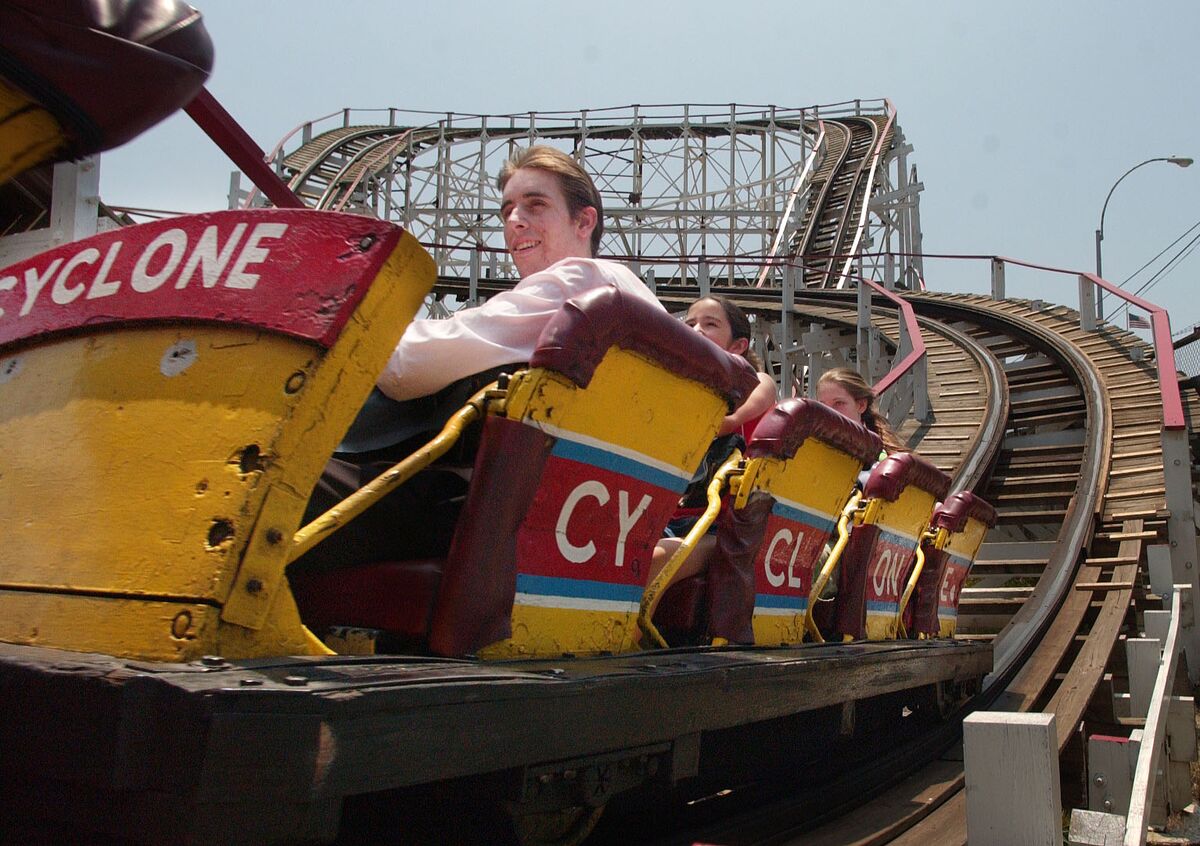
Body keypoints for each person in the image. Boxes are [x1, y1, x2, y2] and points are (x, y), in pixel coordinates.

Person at [293, 145, 663, 571]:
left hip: (493, 516)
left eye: (536, 205)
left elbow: (405, 367)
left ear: (584, 220)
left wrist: (355, 327)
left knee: (269, 483)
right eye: (507, 210)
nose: (514, 221)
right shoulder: (639, 301)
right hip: (578, 521)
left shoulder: (580, 283)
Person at [646, 295, 778, 588]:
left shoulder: (757, 382)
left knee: (649, 562)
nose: (696, 330)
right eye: (689, 323)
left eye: (710, 324)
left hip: (721, 528)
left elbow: (733, 416)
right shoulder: (676, 394)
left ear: (738, 346)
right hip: (667, 518)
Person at [814, 367, 904, 457]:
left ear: (861, 405)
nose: (829, 411)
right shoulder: (808, 447)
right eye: (822, 404)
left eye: (839, 403)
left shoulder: (880, 459)